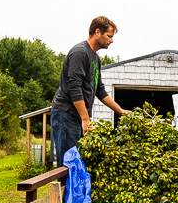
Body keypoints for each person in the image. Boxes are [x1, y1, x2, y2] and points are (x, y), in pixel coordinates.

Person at [51, 16, 129, 165]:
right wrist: (86, 119)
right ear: (97, 32)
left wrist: (120, 111)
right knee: (69, 164)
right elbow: (75, 87)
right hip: (66, 114)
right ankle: (62, 189)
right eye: (109, 36)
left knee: (77, 163)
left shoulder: (96, 59)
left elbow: (100, 90)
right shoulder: (80, 53)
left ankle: (72, 189)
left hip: (77, 117)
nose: (111, 41)